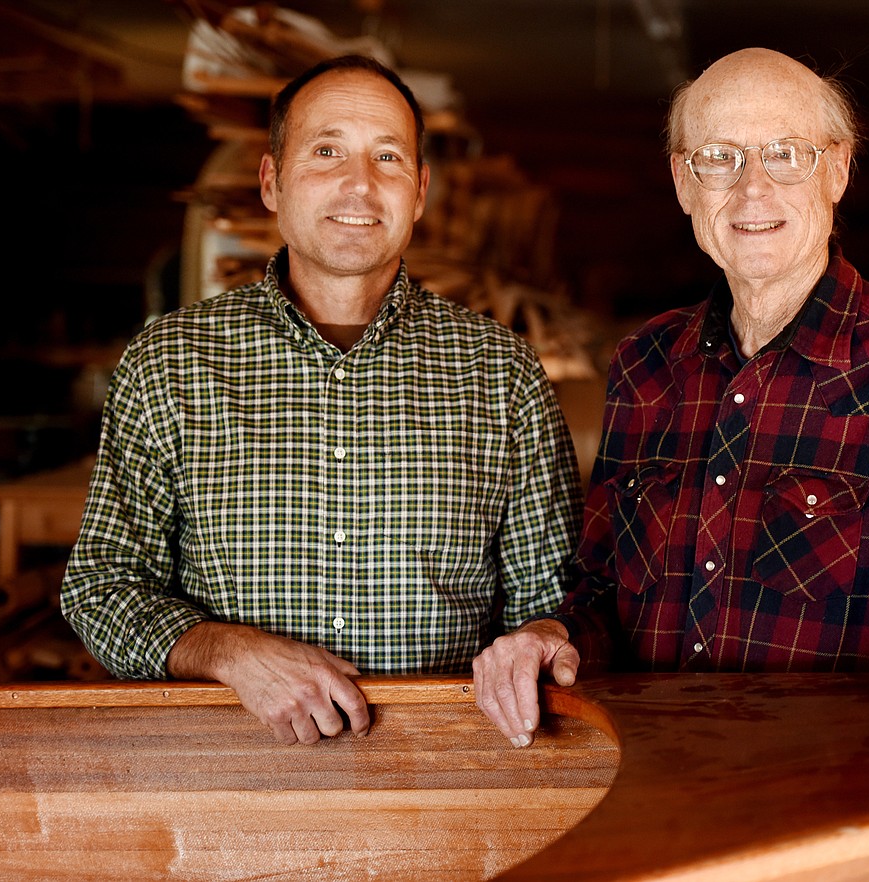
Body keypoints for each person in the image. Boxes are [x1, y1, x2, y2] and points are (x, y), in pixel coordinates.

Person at [472, 48, 869, 846]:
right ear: (681, 183)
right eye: (720, 158)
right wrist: (550, 634)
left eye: (785, 154)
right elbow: (601, 588)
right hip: (650, 808)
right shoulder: (645, 366)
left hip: (840, 825)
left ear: (836, 171)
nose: (752, 189)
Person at [62, 54, 582, 747]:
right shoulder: (172, 363)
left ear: (419, 191)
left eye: (388, 157)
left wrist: (543, 639)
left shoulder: (501, 373)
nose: (359, 184)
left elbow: (556, 600)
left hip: (447, 781)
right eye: (327, 150)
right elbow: (101, 588)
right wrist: (229, 652)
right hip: (223, 783)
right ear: (272, 181)